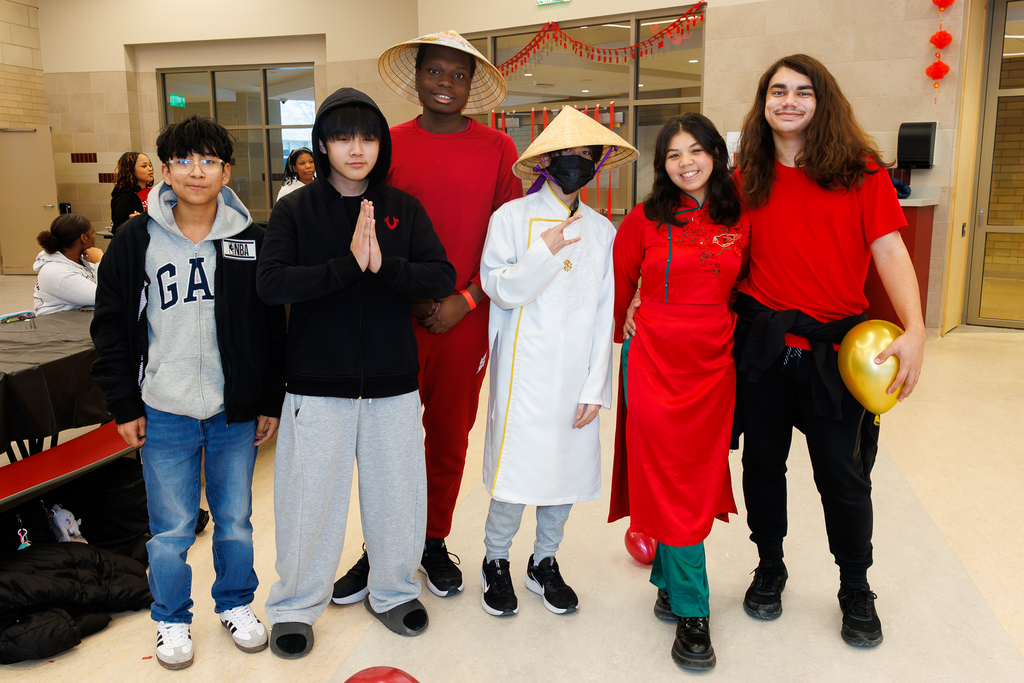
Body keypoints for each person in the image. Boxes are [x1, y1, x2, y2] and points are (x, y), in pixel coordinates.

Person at [733, 54, 925, 648]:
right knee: (762, 466)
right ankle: (769, 566)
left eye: (803, 92)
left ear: (823, 102)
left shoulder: (859, 171)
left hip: (834, 352)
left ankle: (855, 586)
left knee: (843, 476)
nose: (788, 101)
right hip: (764, 349)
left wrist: (916, 329)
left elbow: (890, 251)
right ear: (764, 103)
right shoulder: (747, 174)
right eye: (778, 91)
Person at [258, 88, 456, 657]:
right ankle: (295, 605)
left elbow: (440, 276)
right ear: (322, 144)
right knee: (308, 501)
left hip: (393, 383)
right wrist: (347, 267)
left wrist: (384, 265)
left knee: (397, 495)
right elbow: (271, 283)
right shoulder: (296, 209)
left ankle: (392, 591)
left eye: (368, 137)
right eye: (343, 137)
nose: (356, 149)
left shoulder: (403, 208)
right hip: (316, 386)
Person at [90, 115, 286, 670]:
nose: (195, 172)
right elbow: (110, 326)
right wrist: (124, 403)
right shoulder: (135, 241)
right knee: (171, 529)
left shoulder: (251, 240)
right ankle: (171, 617)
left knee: (236, 521)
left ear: (226, 171)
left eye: (208, 161)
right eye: (183, 160)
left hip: (232, 410)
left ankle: (236, 603)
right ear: (165, 170)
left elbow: (272, 328)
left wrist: (267, 400)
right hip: (164, 409)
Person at [332, 30, 519, 604]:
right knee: (386, 440)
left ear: (472, 85)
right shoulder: (386, 144)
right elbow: (363, 225)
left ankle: (433, 540)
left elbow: (509, 241)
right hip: (394, 314)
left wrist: (466, 299)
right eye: (435, 71)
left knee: (447, 437)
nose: (445, 83)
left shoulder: (498, 149)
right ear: (416, 77)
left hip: (466, 317)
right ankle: (382, 546)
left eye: (458, 75)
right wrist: (403, 290)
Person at [476, 105, 636, 618]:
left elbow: (604, 313)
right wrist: (543, 252)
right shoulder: (511, 218)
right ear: (546, 161)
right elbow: (500, 289)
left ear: (596, 163)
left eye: (586, 154)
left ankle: (544, 560)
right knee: (516, 472)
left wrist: (595, 386)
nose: (576, 161)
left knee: (564, 472)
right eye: (567, 153)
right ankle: (496, 559)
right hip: (522, 375)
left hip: (575, 376)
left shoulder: (602, 230)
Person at [610, 113, 748, 671]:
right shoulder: (642, 219)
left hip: (713, 365)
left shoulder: (742, 217)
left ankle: (669, 583)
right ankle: (694, 610)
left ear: (716, 154)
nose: (686, 162)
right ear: (661, 164)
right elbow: (618, 288)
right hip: (651, 361)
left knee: (693, 477)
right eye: (673, 154)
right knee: (667, 476)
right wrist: (625, 318)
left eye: (696, 150)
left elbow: (754, 284)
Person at [32, 213, 103, 315]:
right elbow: (104, 297)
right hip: (59, 323)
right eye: (92, 233)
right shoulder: (56, 272)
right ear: (84, 238)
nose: (93, 237)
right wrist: (100, 261)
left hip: (77, 319)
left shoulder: (81, 259)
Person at [110, 151, 154, 231]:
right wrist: (135, 222)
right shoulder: (124, 196)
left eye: (150, 165)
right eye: (144, 166)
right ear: (130, 170)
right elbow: (118, 229)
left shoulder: (155, 192)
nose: (150, 169)